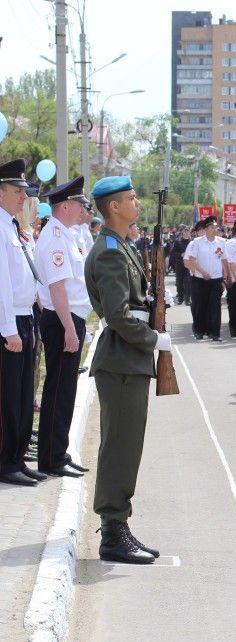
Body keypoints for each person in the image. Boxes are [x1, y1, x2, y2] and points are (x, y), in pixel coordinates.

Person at [84, 175, 172, 564]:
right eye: (132, 198)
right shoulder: (110, 252)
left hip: (128, 359)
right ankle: (113, 534)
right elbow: (118, 314)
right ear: (114, 207)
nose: (137, 203)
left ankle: (119, 526)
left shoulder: (121, 245)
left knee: (127, 446)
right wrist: (155, 340)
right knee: (120, 447)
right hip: (122, 358)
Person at [34, 176, 94, 477]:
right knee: (58, 390)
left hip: (68, 318)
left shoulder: (66, 235)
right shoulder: (55, 237)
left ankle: (59, 451)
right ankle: (51, 459)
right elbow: (57, 287)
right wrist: (70, 329)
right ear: (66, 206)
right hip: (62, 320)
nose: (83, 209)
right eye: (79, 204)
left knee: (65, 390)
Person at [0, 159, 45, 487]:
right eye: (16, 191)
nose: (22, 196)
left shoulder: (12, 226)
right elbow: (1, 283)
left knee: (23, 393)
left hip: (24, 318)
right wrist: (9, 330)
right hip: (10, 322)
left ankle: (17, 458)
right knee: (8, 398)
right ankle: (6, 462)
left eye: (23, 191)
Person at [186, 216, 228, 341]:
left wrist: (226, 275)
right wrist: (203, 272)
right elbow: (192, 260)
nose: (214, 230)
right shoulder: (197, 242)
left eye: (216, 227)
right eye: (211, 227)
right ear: (206, 229)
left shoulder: (221, 242)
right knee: (201, 306)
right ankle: (199, 331)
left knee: (215, 306)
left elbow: (225, 260)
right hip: (201, 279)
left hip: (216, 279)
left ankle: (215, 333)